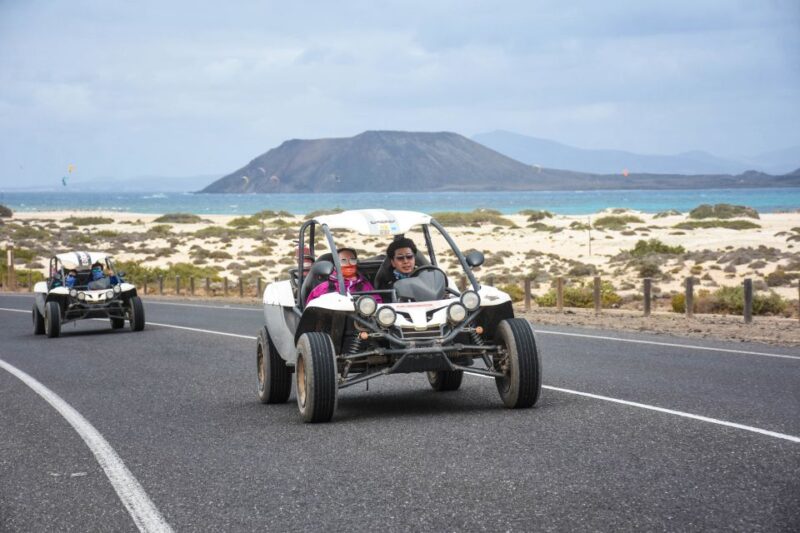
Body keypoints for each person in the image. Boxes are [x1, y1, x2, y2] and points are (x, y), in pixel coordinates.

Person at [306, 248, 381, 304]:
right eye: (343, 261)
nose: (349, 264)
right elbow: (311, 310)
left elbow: (378, 304)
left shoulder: (365, 285)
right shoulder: (325, 287)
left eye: (352, 260)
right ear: (335, 264)